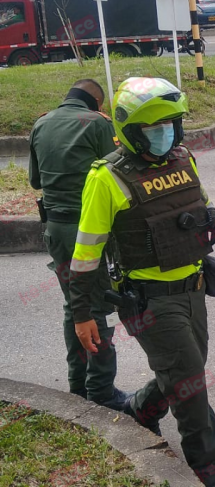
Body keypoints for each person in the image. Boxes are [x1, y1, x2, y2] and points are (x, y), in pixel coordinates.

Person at [69, 77, 215, 487]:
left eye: (171, 125)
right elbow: (86, 253)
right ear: (129, 131)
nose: (166, 134)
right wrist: (83, 314)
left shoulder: (183, 159)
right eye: (154, 127)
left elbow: (201, 203)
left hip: (194, 289)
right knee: (191, 389)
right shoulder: (106, 178)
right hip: (150, 303)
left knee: (184, 371)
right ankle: (212, 472)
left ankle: (141, 411)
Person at [28, 79, 130, 411]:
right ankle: (101, 391)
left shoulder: (41, 123)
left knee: (75, 306)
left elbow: (35, 181)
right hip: (88, 230)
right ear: (97, 103)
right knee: (94, 307)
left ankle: (78, 385)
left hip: (55, 230)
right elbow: (118, 172)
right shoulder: (99, 124)